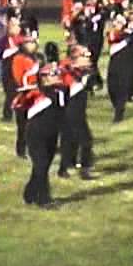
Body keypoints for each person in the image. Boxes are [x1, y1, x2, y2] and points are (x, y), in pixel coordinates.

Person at [16, 62, 64, 207]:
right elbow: (18, 107)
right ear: (44, 78)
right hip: (36, 135)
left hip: (52, 134)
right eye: (53, 74)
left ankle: (29, 193)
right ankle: (44, 199)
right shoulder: (36, 93)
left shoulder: (61, 92)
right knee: (41, 165)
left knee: (42, 167)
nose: (58, 76)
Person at [58, 45, 95, 179]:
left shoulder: (84, 71)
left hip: (78, 112)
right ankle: (84, 169)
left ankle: (65, 167)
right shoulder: (66, 72)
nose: (89, 59)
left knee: (69, 140)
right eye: (85, 56)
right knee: (85, 140)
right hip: (70, 112)